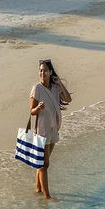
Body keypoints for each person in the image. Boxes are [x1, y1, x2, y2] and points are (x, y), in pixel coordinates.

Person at [29, 59, 72, 200]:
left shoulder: (55, 88)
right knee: (44, 164)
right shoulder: (37, 88)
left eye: (45, 70)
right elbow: (32, 111)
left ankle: (38, 188)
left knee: (43, 164)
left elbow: (68, 99)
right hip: (41, 131)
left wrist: (59, 83)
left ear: (51, 72)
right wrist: (38, 108)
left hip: (53, 130)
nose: (42, 73)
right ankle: (47, 196)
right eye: (41, 70)